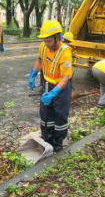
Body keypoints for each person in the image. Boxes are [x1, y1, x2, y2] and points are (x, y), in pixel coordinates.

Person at [28, 20, 73, 152]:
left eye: (48, 40)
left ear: (57, 37)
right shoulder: (44, 46)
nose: (46, 43)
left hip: (61, 87)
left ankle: (58, 143)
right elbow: (39, 60)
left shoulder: (65, 52)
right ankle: (47, 137)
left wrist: (54, 93)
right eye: (44, 40)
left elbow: (65, 78)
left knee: (60, 115)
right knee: (45, 113)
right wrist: (33, 73)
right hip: (46, 84)